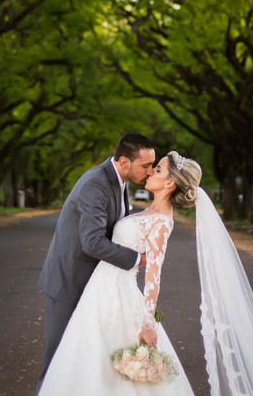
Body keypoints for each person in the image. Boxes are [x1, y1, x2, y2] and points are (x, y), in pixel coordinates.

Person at [37, 151, 253, 396]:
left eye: (157, 169)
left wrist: (149, 322)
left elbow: (153, 275)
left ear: (169, 182)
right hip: (100, 291)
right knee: (85, 359)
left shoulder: (161, 222)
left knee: (106, 366)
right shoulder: (148, 212)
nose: (150, 172)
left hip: (118, 294)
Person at [37, 133, 157, 390]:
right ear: (124, 162)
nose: (150, 171)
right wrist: (138, 258)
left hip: (96, 288)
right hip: (69, 284)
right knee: (58, 362)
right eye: (145, 165)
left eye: (152, 165)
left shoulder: (120, 182)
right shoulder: (95, 183)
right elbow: (91, 242)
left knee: (83, 364)